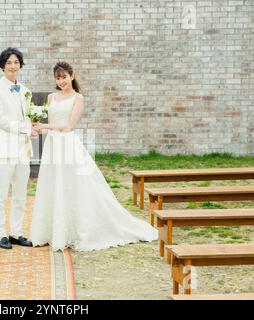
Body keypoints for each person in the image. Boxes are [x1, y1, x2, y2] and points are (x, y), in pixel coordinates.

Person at [30, 61, 158, 251]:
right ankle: (54, 231)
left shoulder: (78, 98)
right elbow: (52, 124)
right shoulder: (51, 97)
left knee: (74, 185)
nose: (61, 81)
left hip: (68, 145)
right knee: (54, 184)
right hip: (53, 146)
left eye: (64, 77)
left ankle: (77, 229)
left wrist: (44, 127)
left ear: (72, 76)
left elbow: (68, 126)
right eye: (58, 78)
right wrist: (38, 129)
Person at [0, 47, 38, 249]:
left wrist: (33, 126)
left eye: (16, 62)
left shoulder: (25, 91)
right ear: (2, 66)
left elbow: (28, 117)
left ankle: (16, 232)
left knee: (20, 194)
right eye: (9, 62)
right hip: (4, 150)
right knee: (0, 195)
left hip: (23, 151)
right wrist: (25, 127)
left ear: (20, 65)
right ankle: (0, 234)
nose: (13, 66)